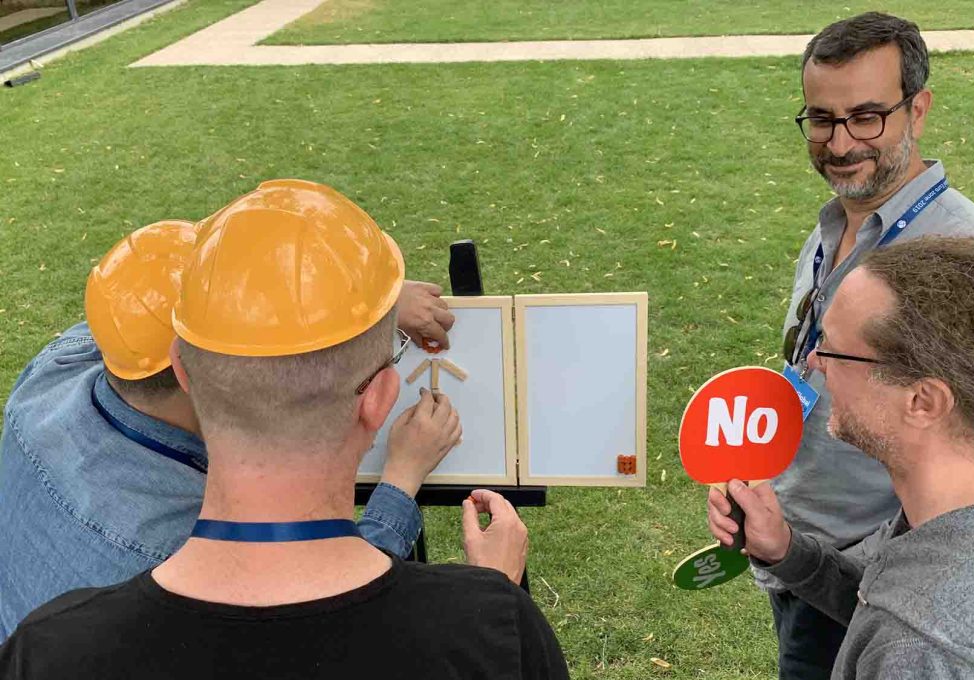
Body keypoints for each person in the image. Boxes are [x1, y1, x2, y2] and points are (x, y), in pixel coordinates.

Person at [0, 180, 567, 679]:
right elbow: (317, 596)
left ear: (182, 365)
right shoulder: (491, 631)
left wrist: (376, 301)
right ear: (379, 400)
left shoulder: (54, 373)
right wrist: (487, 585)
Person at [767, 13, 974, 677]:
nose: (840, 143)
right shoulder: (836, 222)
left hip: (885, 574)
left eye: (866, 116)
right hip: (805, 555)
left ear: (917, 108)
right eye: (821, 119)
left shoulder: (965, 250)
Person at [711, 237, 974, 678]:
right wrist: (785, 549)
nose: (816, 362)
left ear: (923, 401)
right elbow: (882, 589)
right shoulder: (944, 515)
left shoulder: (918, 652)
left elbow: (908, 614)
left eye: (835, 350)